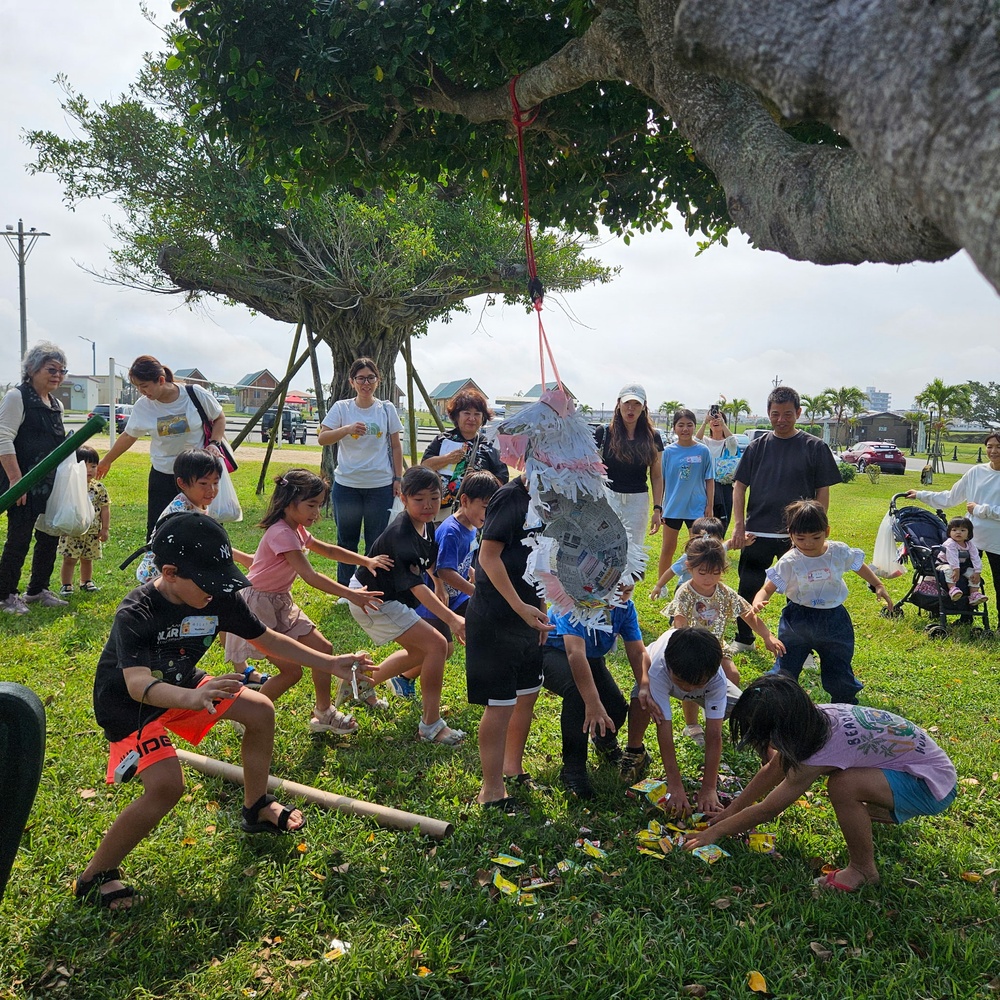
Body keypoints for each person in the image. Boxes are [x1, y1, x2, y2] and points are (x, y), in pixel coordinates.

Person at [75, 512, 375, 909]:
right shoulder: (137, 611)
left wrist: (330, 663)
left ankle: (256, 806)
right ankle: (95, 875)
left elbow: (268, 639)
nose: (217, 591)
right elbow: (137, 684)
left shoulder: (216, 596)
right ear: (170, 573)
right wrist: (192, 699)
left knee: (260, 710)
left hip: (184, 684)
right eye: (209, 582)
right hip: (131, 706)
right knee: (166, 787)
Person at [685, 675, 958, 893]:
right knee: (847, 783)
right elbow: (772, 770)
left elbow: (769, 809)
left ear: (782, 734)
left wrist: (715, 833)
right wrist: (731, 812)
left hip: (930, 786)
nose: (767, 747)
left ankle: (862, 870)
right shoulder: (815, 719)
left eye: (767, 740)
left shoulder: (819, 752)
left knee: (844, 786)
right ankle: (879, 812)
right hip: (924, 773)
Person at [223, 469, 389, 732]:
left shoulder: (296, 529)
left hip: (280, 602)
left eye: (319, 505)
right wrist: (351, 594)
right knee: (292, 672)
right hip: (257, 607)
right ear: (289, 503)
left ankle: (323, 712)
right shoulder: (281, 533)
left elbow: (328, 550)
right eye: (311, 505)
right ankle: (245, 713)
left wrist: (365, 560)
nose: (317, 512)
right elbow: (310, 576)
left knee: (323, 647)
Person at [339, 466, 468, 745]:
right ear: (403, 497)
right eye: (419, 499)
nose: (428, 505)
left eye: (434, 498)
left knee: (423, 650)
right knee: (437, 646)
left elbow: (427, 562)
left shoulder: (425, 524)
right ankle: (431, 725)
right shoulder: (400, 534)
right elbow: (416, 587)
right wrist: (453, 619)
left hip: (387, 596)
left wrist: (438, 583)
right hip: (372, 599)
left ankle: (359, 681)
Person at [465, 472, 554, 812]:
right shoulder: (509, 497)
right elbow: (488, 557)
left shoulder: (549, 497)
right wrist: (520, 607)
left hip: (529, 615)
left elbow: (541, 558)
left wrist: (541, 607)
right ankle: (491, 790)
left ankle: (512, 768)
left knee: (527, 695)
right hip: (497, 617)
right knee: (500, 704)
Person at [729, 386, 842, 653]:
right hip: (758, 533)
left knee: (803, 592)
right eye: (775, 414)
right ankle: (744, 639)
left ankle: (803, 648)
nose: (781, 420)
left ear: (798, 413)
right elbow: (739, 486)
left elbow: (822, 490)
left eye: (788, 414)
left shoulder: (815, 447)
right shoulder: (757, 447)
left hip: (799, 537)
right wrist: (739, 526)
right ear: (768, 413)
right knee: (748, 587)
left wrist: (815, 528)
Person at [752, 500, 894, 705]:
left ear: (827, 531)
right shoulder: (789, 561)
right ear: (791, 534)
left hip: (834, 620)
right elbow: (767, 588)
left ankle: (844, 705)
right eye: (801, 538)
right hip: (797, 619)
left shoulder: (838, 551)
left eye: (816, 537)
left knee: (839, 666)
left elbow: (858, 566)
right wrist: (759, 601)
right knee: (786, 666)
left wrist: (878, 584)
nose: (808, 543)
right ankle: (775, 702)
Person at [657, 536, 783, 746]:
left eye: (715, 573)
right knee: (692, 684)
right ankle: (691, 725)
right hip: (690, 648)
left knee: (732, 675)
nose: (709, 578)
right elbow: (680, 624)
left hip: (717, 647)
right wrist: (688, 655)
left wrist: (767, 636)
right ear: (689, 567)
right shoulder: (685, 592)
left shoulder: (725, 592)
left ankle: (716, 715)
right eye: (702, 572)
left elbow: (747, 614)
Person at [391, 470, 501, 698]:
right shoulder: (452, 531)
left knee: (485, 625)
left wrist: (470, 571)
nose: (488, 513)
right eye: (485, 507)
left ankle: (489, 682)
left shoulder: (473, 526)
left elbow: (458, 559)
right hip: (434, 600)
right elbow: (444, 570)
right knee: (442, 649)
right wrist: (475, 591)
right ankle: (402, 677)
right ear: (465, 500)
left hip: (457, 596)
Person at [96, 356, 227, 541]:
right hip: (163, 474)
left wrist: (215, 443)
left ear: (161, 380)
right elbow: (129, 435)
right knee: (158, 529)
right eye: (138, 387)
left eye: (145, 386)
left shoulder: (194, 394)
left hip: (197, 475)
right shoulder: (143, 406)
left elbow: (219, 418)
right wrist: (107, 460)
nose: (142, 392)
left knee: (204, 527)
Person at [541, 582, 648, 799]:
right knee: (578, 694)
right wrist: (592, 702)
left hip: (591, 656)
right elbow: (575, 653)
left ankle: (604, 741)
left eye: (627, 592)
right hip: (551, 652)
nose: (619, 598)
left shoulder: (625, 608)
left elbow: (638, 652)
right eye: (613, 591)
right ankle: (573, 771)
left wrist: (646, 686)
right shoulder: (573, 602)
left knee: (616, 709)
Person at [317, 357, 404, 586]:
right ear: (352, 382)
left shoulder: (386, 409)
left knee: (376, 542)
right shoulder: (342, 408)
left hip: (380, 486)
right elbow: (323, 438)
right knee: (346, 541)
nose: (366, 383)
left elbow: (396, 446)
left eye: (371, 378)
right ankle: (346, 588)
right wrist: (347, 429)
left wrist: (398, 478)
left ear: (378, 380)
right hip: (347, 486)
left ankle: (369, 586)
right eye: (361, 378)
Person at [638, 627, 741, 816]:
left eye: (697, 684)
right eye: (681, 681)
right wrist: (675, 785)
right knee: (641, 701)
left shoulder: (716, 679)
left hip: (699, 681)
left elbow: (714, 735)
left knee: (745, 707)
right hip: (654, 676)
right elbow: (664, 729)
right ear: (668, 666)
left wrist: (709, 788)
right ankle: (634, 751)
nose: (688, 688)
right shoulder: (658, 670)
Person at [0, 341, 71, 613]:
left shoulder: (56, 404)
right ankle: (6, 594)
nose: (57, 375)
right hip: (22, 482)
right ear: (31, 369)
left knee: (49, 536)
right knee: (19, 538)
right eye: (51, 369)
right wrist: (16, 480)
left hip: (49, 483)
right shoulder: (17, 397)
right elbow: (3, 437)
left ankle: (37, 589)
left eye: (62, 371)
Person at [906, 432, 1000, 606]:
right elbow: (951, 497)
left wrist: (980, 510)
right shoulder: (976, 472)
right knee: (963, 577)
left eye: (998, 447)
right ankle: (966, 615)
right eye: (990, 447)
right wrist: (920, 494)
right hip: (970, 539)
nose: (993, 451)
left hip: (997, 541)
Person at [132, 449, 234, 584]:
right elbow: (205, 548)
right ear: (182, 483)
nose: (212, 490)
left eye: (215, 482)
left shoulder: (197, 502)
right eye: (203, 483)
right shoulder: (182, 516)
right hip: (159, 579)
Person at [593, 383, 664, 553]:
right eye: (627, 403)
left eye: (637, 403)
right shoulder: (603, 433)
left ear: (644, 406)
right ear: (619, 404)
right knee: (605, 549)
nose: (631, 409)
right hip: (608, 498)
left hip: (637, 501)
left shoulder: (653, 436)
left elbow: (656, 476)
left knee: (632, 550)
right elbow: (592, 470)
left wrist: (657, 509)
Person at [420, 387, 508, 521]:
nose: (472, 418)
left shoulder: (489, 446)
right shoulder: (443, 440)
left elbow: (502, 479)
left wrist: (480, 478)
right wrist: (447, 459)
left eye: (477, 414)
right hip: (441, 511)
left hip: (475, 515)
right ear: (457, 415)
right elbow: (424, 467)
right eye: (467, 413)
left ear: (483, 418)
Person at [657, 408, 714, 580]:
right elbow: (661, 481)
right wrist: (660, 507)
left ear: (695, 426)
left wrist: (710, 505)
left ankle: (693, 584)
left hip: (696, 508)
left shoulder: (703, 451)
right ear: (674, 427)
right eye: (681, 425)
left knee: (698, 549)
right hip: (673, 508)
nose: (685, 429)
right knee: (668, 548)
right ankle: (661, 585)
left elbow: (709, 479)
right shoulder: (668, 452)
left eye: (689, 425)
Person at [650, 515, 754, 599]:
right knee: (684, 613)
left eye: (711, 540)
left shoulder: (717, 550)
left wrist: (744, 542)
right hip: (686, 589)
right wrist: (659, 586)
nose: (707, 544)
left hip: (706, 588)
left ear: (720, 540)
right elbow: (672, 571)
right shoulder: (690, 556)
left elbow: (729, 544)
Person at [58, 445, 110, 596]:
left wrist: (105, 528)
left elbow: (105, 508)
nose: (89, 470)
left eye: (93, 466)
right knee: (69, 559)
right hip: (72, 531)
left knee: (88, 558)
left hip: (92, 532)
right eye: (84, 466)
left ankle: (86, 581)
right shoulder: (70, 486)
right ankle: (66, 585)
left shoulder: (99, 488)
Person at [696, 402, 741, 531]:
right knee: (704, 520)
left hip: (724, 486)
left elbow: (733, 444)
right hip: (705, 484)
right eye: (713, 418)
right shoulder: (705, 441)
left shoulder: (728, 442)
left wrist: (723, 424)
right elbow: (696, 441)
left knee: (722, 520)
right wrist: (704, 422)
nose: (715, 421)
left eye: (719, 418)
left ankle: (719, 540)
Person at [935, 516, 987, 603]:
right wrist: (956, 569)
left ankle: (974, 594)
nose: (958, 532)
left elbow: (975, 557)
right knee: (949, 570)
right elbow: (952, 556)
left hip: (961, 566)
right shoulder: (950, 543)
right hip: (944, 564)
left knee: (972, 573)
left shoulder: (970, 544)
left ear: (969, 533)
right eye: (954, 530)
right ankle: (952, 589)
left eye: (962, 530)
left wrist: (977, 571)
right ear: (949, 532)